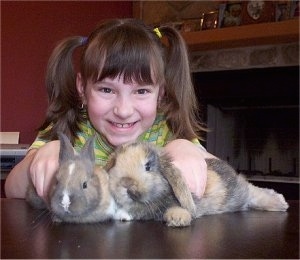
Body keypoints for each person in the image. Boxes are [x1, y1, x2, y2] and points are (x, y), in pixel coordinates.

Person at [5, 18, 215, 201]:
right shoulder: (66, 129)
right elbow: (11, 188)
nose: (123, 110)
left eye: (141, 91)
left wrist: (187, 149)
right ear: (82, 88)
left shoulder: (168, 130)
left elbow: (223, 181)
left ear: (160, 93)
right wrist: (41, 156)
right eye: (106, 89)